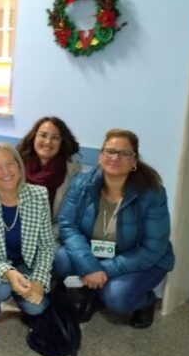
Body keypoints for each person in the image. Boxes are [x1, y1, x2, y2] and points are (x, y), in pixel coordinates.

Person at [55, 129, 174, 328]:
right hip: (97, 252)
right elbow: (68, 226)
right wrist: (89, 266)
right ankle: (93, 291)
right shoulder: (82, 183)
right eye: (110, 151)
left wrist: (99, 270)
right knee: (60, 258)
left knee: (117, 297)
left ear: (134, 161)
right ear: (101, 156)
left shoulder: (152, 193)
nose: (115, 157)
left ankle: (145, 301)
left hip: (139, 259)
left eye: (124, 153)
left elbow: (152, 249)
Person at [0, 142, 53, 337]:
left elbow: (46, 245)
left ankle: (24, 297)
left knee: (36, 308)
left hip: (27, 265)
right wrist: (8, 272)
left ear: (19, 165)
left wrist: (39, 280)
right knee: (0, 291)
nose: (5, 171)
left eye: (10, 164)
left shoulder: (39, 195)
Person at [16, 116, 81, 230]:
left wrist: (44, 238)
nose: (48, 142)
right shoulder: (15, 163)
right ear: (34, 137)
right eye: (43, 135)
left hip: (52, 235)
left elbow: (70, 219)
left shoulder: (73, 171)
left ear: (62, 142)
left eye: (55, 138)